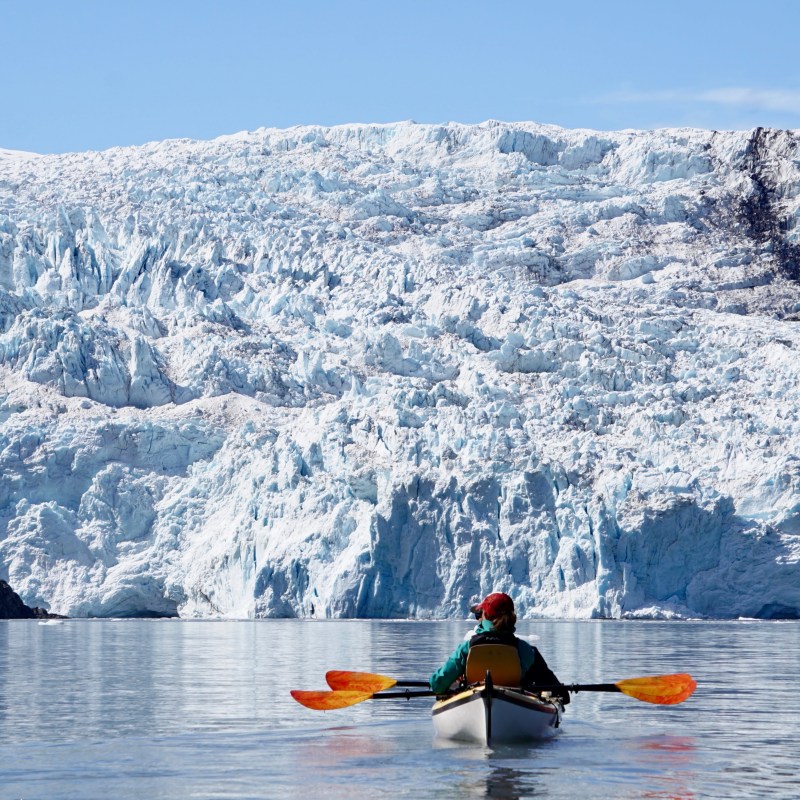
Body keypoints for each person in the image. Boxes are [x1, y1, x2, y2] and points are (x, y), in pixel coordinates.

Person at [429, 592, 570, 703]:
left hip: (473, 701)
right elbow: (560, 693)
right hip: (515, 704)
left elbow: (437, 684)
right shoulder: (526, 650)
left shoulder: (467, 648)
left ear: (484, 616)